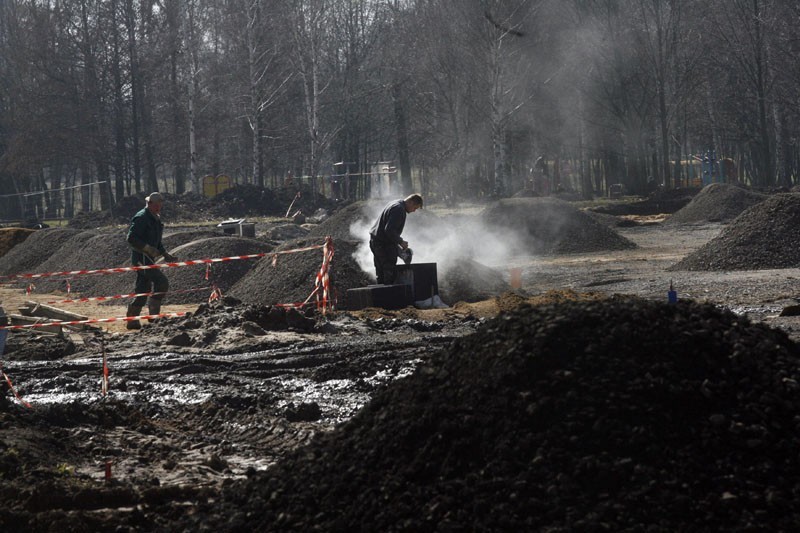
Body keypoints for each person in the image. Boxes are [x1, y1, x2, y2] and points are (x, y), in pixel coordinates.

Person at [125, 192, 177, 330]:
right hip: (140, 258)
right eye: (156, 205)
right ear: (149, 204)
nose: (159, 207)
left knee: (143, 290)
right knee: (161, 282)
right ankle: (153, 319)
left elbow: (157, 241)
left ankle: (132, 321)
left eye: (160, 205)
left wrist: (165, 254)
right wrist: (146, 248)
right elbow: (131, 238)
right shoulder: (142, 217)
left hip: (148, 258)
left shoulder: (155, 218)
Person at [369, 193, 423, 284]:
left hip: (376, 241)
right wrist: (401, 241)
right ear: (410, 202)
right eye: (415, 208)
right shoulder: (399, 209)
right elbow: (389, 230)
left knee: (381, 272)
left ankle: (381, 294)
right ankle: (389, 295)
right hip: (383, 245)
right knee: (389, 272)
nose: (414, 211)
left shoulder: (395, 203)